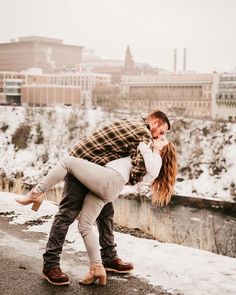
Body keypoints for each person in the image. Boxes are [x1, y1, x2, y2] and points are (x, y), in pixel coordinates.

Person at [17, 110, 171, 286]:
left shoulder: (130, 122)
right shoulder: (143, 134)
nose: (161, 136)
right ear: (155, 123)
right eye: (162, 132)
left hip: (96, 170)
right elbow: (139, 170)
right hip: (82, 169)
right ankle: (50, 265)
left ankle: (108, 258)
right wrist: (132, 177)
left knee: (106, 213)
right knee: (67, 214)